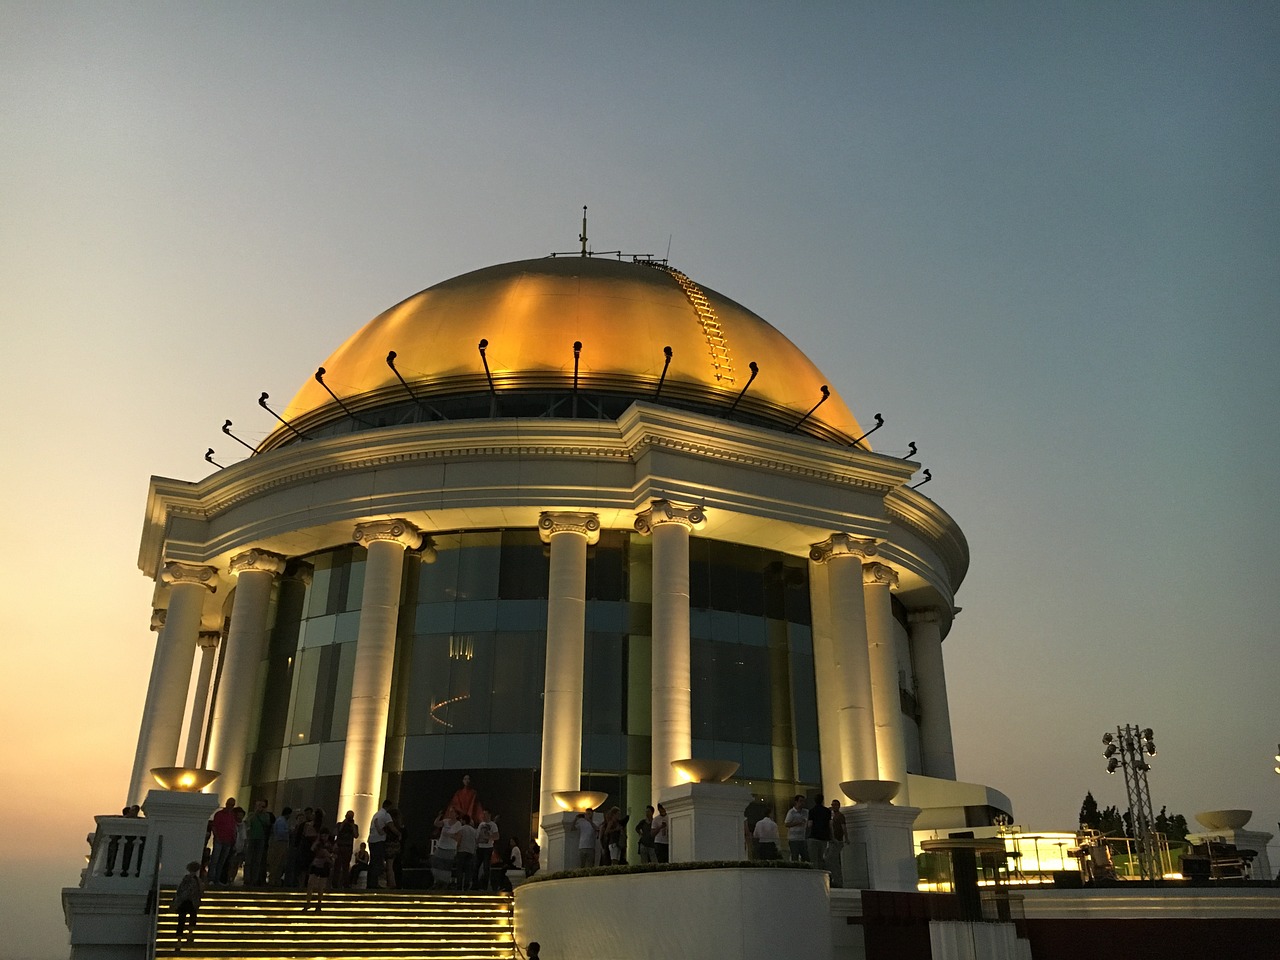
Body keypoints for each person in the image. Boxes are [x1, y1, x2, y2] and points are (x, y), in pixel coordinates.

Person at [171, 861, 204, 950]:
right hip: (192, 902)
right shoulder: (197, 881)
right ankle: (189, 935)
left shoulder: (185, 879)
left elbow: (180, 891)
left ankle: (179, 941)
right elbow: (200, 892)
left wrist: (177, 900)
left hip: (183, 902)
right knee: (192, 919)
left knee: (181, 921)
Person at [208, 798, 238, 886]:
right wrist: (217, 837)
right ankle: (211, 878)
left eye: (232, 805)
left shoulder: (231, 816)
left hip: (228, 841)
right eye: (229, 804)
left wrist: (233, 840)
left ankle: (217, 879)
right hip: (220, 840)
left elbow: (233, 829)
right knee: (215, 860)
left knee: (221, 861)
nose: (230, 806)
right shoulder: (219, 814)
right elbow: (214, 826)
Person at [303, 829, 333, 912]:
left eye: (326, 835)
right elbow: (313, 850)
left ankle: (318, 904)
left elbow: (330, 854)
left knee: (321, 886)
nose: (324, 837)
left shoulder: (329, 845)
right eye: (323, 835)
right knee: (311, 884)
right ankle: (308, 903)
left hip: (323, 865)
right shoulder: (318, 844)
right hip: (317, 864)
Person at [244, 799, 272, 887]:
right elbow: (248, 822)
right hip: (252, 838)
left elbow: (267, 823)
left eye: (262, 806)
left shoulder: (266, 816)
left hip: (261, 839)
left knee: (257, 860)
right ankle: (247, 879)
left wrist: (261, 813)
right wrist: (255, 813)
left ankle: (254, 879)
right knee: (249, 860)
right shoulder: (251, 815)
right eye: (259, 806)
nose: (260, 808)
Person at [367, 800, 393, 890]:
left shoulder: (376, 814)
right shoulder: (386, 815)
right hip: (379, 841)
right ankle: (374, 883)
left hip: (371, 841)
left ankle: (370, 883)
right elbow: (391, 826)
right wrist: (398, 833)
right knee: (378, 863)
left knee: (372, 862)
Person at [433, 807, 460, 888]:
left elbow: (458, 837)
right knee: (437, 864)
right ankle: (437, 881)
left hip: (450, 848)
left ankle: (445, 882)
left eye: (452, 812)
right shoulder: (445, 821)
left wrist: (449, 835)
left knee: (447, 866)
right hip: (441, 846)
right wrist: (439, 816)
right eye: (450, 812)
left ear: (456, 814)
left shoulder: (458, 824)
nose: (450, 813)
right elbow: (436, 824)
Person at [333, 810, 359, 889]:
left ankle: (345, 883)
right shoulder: (340, 824)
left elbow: (356, 835)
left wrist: (352, 825)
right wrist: (344, 823)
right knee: (337, 866)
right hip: (340, 847)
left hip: (348, 847)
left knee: (346, 866)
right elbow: (337, 832)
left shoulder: (355, 826)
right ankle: (335, 883)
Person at [267, 806, 292, 886]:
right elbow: (281, 832)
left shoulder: (281, 820)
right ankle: (273, 880)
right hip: (280, 843)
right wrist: (289, 831)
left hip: (281, 842)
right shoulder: (281, 821)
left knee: (280, 862)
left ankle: (276, 879)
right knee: (277, 862)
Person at [454, 814, 478, 890]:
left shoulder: (461, 829)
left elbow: (459, 840)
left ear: (464, 821)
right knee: (468, 870)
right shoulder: (474, 831)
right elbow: (476, 841)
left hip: (462, 851)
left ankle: (459, 885)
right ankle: (466, 886)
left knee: (460, 869)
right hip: (470, 852)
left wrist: (456, 849)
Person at [475, 811, 498, 888]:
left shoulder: (493, 825)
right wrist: (477, 842)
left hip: (488, 848)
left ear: (489, 815)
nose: (484, 816)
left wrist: (488, 837)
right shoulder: (481, 825)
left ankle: (485, 885)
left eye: (485, 814)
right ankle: (475, 884)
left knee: (486, 866)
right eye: (483, 814)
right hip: (480, 847)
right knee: (476, 866)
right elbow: (477, 836)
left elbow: (497, 836)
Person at [807, 793, 832, 866]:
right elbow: (830, 825)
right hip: (824, 837)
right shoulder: (827, 811)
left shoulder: (812, 811)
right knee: (821, 857)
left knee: (814, 858)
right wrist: (831, 836)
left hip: (814, 836)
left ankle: (816, 873)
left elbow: (810, 825)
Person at [784, 795, 809, 862]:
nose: (802, 803)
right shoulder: (791, 812)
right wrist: (798, 823)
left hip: (803, 838)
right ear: (796, 802)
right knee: (795, 856)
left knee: (805, 856)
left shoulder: (806, 812)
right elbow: (787, 824)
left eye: (803, 801)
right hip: (793, 839)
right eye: (800, 801)